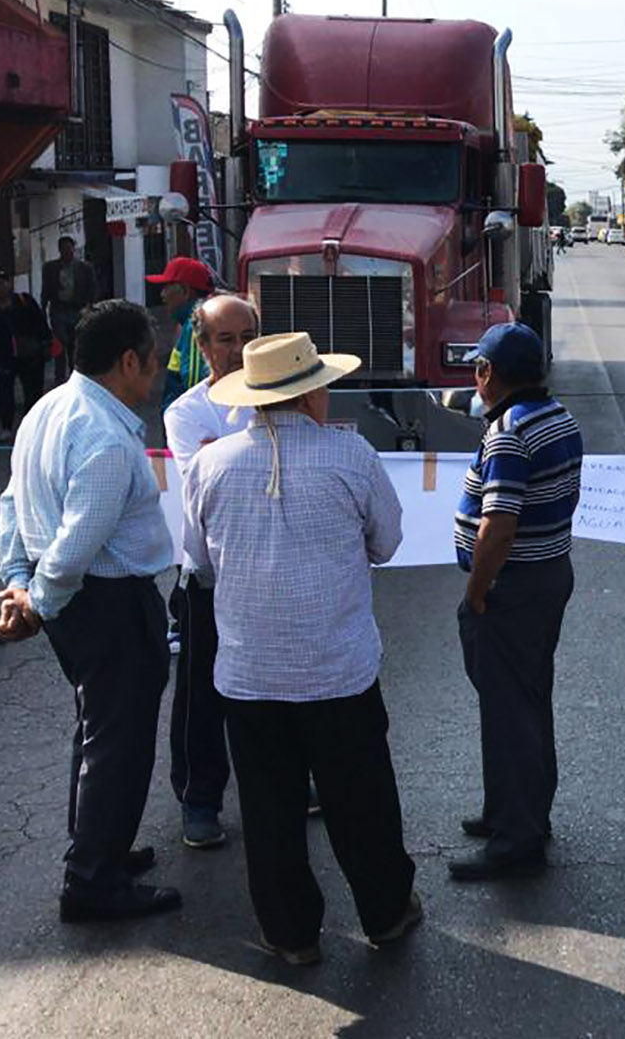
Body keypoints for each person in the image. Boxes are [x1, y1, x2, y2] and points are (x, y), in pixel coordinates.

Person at [182, 331, 420, 964]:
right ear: (314, 391)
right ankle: (387, 912)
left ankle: (290, 934)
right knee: (361, 799)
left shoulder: (210, 464)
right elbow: (388, 543)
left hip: (249, 673)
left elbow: (200, 564)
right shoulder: (352, 457)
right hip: (336, 668)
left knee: (269, 808)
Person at [0, 300, 180, 922]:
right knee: (118, 742)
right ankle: (93, 880)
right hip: (106, 601)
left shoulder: (49, 409)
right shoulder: (103, 435)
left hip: (75, 602)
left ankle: (99, 850)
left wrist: (19, 583)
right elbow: (76, 541)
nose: (154, 376)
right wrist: (35, 603)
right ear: (128, 361)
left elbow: (14, 505)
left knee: (97, 729)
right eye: (152, 363)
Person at [452, 322, 585, 880]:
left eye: (477, 368)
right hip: (549, 573)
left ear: (488, 373)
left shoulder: (509, 432)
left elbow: (498, 527)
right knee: (525, 702)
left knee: (509, 711)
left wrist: (477, 590)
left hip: (513, 587)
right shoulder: (557, 416)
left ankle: (517, 839)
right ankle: (514, 809)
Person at [160, 295, 259, 851]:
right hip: (208, 576)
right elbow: (203, 482)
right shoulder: (186, 412)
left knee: (285, 687)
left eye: (247, 336)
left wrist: (229, 454)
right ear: (202, 347)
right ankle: (199, 798)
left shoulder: (282, 397)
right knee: (202, 694)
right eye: (226, 339)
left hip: (272, 571)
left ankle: (296, 778)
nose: (239, 350)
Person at [0, 272, 49, 442]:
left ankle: (32, 426)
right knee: (5, 393)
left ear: (10, 284)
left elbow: (40, 323)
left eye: (3, 282)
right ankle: (6, 427)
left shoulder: (24, 301)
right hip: (2, 356)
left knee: (32, 392)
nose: (0, 287)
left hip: (29, 355)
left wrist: (45, 344)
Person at [150, 256, 219, 410]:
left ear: (185, 291)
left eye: (166, 286)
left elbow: (194, 385)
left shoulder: (196, 324)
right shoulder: (196, 320)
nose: (162, 294)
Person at [40, 237, 96, 385]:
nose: (68, 252)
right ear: (60, 250)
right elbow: (45, 290)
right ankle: (60, 377)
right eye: (64, 249)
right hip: (59, 309)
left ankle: (75, 374)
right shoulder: (50, 268)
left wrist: (90, 307)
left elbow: (92, 289)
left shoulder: (84, 268)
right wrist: (43, 308)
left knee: (75, 344)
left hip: (77, 309)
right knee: (60, 343)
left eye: (70, 248)